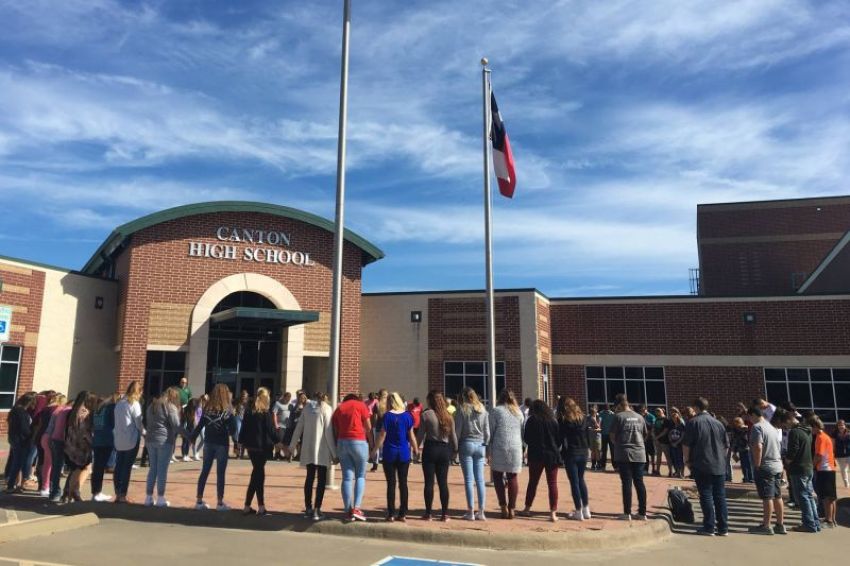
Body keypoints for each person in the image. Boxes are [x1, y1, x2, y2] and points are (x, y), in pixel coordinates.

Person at [682, 398, 729, 536]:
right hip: (719, 464)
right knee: (720, 496)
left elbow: (686, 445)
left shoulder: (693, 422)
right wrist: (722, 458)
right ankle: (723, 527)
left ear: (696, 407)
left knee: (706, 495)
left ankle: (709, 526)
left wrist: (687, 461)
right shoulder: (718, 423)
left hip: (702, 463)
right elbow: (726, 446)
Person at [288, 392, 336, 521]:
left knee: (309, 478)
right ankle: (317, 509)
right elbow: (328, 432)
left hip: (308, 449)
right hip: (322, 450)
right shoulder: (327, 409)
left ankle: (308, 508)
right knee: (321, 481)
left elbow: (299, 428)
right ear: (325, 398)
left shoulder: (307, 408)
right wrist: (334, 453)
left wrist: (292, 447)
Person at [191, 383, 237, 511]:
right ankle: (220, 502)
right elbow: (233, 430)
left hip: (208, 443)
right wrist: (236, 441)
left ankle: (199, 501)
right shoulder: (227, 411)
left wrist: (192, 437)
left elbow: (199, 426)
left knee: (205, 471)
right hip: (222, 443)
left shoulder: (207, 409)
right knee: (220, 474)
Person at [376, 392, 418, 522]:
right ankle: (403, 512)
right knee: (403, 483)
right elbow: (411, 435)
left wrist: (374, 449)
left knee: (391, 484)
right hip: (404, 453)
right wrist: (416, 448)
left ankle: (391, 513)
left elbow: (382, 435)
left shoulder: (387, 416)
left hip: (389, 453)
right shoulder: (407, 416)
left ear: (390, 402)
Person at [145, 387, 188, 507]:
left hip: (150, 440)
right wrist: (190, 436)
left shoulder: (151, 406)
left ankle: (148, 497)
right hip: (164, 441)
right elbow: (177, 426)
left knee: (153, 468)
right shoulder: (170, 406)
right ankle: (160, 497)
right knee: (162, 469)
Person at [333, 392, 373, 522]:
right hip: (359, 441)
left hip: (342, 442)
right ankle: (356, 507)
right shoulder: (361, 405)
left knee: (347, 477)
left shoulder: (340, 407)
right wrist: (371, 443)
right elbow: (368, 426)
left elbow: (335, 428)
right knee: (360, 475)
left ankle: (347, 509)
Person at [417, 391, 457, 521]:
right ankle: (445, 513)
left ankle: (428, 513)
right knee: (443, 483)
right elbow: (454, 437)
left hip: (430, 448)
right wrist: (455, 451)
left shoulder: (426, 415)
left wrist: (415, 448)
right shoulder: (449, 417)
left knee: (429, 482)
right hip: (444, 450)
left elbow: (420, 435)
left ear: (430, 401)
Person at [519, 400, 561, 522]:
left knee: (533, 482)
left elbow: (526, 438)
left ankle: (527, 508)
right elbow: (559, 439)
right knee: (552, 483)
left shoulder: (532, 420)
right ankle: (553, 513)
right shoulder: (553, 420)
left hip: (536, 454)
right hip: (552, 454)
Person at [238, 387, 278, 516]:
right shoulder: (265, 413)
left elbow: (243, 429)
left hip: (251, 448)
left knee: (257, 475)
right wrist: (281, 443)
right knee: (258, 476)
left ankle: (251, 506)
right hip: (262, 449)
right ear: (265, 398)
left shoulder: (250, 412)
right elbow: (271, 431)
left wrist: (239, 442)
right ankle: (256, 506)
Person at [747, 405, 786, 535]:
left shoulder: (757, 428)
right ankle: (780, 524)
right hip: (777, 465)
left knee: (767, 497)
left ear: (753, 415)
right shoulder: (772, 427)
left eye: (749, 417)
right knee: (777, 495)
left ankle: (766, 525)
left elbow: (758, 446)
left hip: (765, 466)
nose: (749, 420)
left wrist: (757, 465)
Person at [609, 394, 648, 521]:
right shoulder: (640, 417)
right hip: (639, 453)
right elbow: (645, 434)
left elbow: (612, 436)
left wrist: (619, 444)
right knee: (639, 482)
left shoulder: (618, 417)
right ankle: (642, 513)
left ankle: (627, 513)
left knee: (626, 483)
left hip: (624, 453)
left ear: (620, 404)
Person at [455, 387, 490, 521]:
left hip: (466, 443)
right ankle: (481, 511)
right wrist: (485, 445)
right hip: (480, 444)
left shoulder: (462, 409)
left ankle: (470, 511)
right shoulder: (483, 409)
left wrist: (455, 447)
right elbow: (487, 432)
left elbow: (458, 430)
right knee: (480, 479)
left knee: (469, 480)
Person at [487, 389, 523, 519]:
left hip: (499, 446)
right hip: (515, 447)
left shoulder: (496, 411)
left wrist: (488, 450)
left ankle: (503, 506)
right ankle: (512, 508)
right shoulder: (519, 412)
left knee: (497, 476)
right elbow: (522, 431)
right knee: (513, 477)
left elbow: (490, 431)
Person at [781, 410, 818, 533]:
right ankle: (814, 522)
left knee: (802, 497)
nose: (785, 427)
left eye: (785, 424)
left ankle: (809, 524)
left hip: (799, 468)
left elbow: (793, 451)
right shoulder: (807, 430)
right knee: (809, 496)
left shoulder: (795, 432)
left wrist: (787, 460)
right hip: (808, 467)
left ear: (788, 420)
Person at [558, 397, 591, 520]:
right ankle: (586, 509)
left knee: (574, 482)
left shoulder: (564, 420)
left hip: (571, 452)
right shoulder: (583, 418)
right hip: (583, 451)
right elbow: (587, 435)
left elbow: (560, 437)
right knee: (581, 479)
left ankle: (578, 511)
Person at [113, 381, 145, 504]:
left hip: (119, 438)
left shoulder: (119, 403)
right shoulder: (134, 404)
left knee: (119, 466)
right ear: (139, 391)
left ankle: (117, 492)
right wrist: (144, 433)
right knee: (126, 467)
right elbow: (138, 423)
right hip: (131, 438)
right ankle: (122, 494)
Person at [63, 392, 98, 503]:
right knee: (82, 468)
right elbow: (84, 430)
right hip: (81, 444)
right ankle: (74, 491)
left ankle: (69, 493)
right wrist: (90, 440)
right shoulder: (84, 411)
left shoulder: (73, 410)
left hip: (71, 442)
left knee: (76, 469)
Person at [5, 392, 36, 493]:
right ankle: (11, 485)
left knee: (15, 462)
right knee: (17, 463)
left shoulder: (15, 409)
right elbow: (24, 429)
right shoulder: (21, 412)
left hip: (14, 439)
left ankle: (11, 484)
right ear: (30, 402)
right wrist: (32, 434)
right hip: (20, 440)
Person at [810, 416, 836, 528]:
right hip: (830, 468)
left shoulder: (820, 437)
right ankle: (832, 520)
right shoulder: (826, 436)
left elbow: (818, 455)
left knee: (826, 497)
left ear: (815, 426)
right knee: (831, 497)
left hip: (824, 469)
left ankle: (828, 520)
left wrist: (811, 466)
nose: (811, 430)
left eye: (811, 427)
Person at [91, 394, 117, 502]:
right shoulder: (111, 408)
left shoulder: (97, 410)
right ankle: (117, 493)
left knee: (97, 467)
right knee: (111, 467)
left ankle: (96, 492)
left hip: (97, 440)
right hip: (108, 440)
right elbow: (114, 424)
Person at [38, 394, 65, 497]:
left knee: (47, 464)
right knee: (52, 465)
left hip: (44, 436)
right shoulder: (60, 410)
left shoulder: (49, 409)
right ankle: (46, 487)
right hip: (51, 438)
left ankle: (44, 486)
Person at [282, 391, 307, 462]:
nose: (302, 399)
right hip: (293, 426)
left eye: (303, 398)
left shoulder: (307, 406)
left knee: (301, 442)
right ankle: (290, 455)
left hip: (303, 426)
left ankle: (299, 455)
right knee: (292, 441)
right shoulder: (293, 404)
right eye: (301, 397)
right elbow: (292, 415)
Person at [370, 389, 388, 472]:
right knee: (386, 445)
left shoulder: (377, 404)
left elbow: (375, 417)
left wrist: (373, 426)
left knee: (377, 445)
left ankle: (375, 464)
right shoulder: (389, 405)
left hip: (378, 427)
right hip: (387, 427)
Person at [731, 416, 753, 483]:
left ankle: (751, 478)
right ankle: (745, 477)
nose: (735, 425)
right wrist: (734, 451)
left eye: (736, 423)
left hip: (747, 449)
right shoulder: (735, 430)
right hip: (740, 449)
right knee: (743, 465)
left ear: (740, 422)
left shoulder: (746, 429)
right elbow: (735, 441)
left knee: (748, 464)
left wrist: (742, 428)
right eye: (734, 424)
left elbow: (747, 438)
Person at [272, 392, 292, 460]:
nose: (288, 400)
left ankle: (279, 454)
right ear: (284, 397)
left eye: (289, 398)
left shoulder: (290, 405)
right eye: (287, 398)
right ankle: (279, 454)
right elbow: (274, 414)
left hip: (287, 426)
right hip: (280, 425)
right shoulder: (278, 403)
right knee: (280, 440)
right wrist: (276, 424)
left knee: (285, 441)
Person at [653, 408, 672, 476]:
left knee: (667, 457)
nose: (657, 412)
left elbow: (665, 430)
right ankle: (657, 471)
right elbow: (654, 429)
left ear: (663, 411)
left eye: (659, 411)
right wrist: (655, 438)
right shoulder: (657, 419)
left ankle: (670, 472)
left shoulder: (666, 420)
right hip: (658, 442)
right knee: (658, 456)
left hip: (665, 441)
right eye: (656, 411)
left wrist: (657, 437)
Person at [178, 377, 193, 461]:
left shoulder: (188, 390)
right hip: (180, 412)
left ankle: (186, 454)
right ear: (180, 382)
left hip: (187, 412)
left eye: (185, 382)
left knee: (188, 434)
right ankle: (184, 454)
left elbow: (190, 399)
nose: (183, 384)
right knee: (184, 435)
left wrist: (187, 406)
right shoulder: (178, 390)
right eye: (182, 382)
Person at [639, 405, 657, 475]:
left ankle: (654, 469)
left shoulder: (651, 417)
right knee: (645, 454)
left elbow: (652, 427)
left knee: (652, 454)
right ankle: (645, 469)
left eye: (643, 410)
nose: (642, 412)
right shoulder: (640, 417)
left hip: (650, 438)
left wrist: (644, 419)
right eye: (641, 410)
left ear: (646, 409)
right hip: (643, 438)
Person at [668, 409, 686, 478]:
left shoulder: (681, 425)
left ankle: (682, 473)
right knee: (674, 459)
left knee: (680, 459)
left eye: (675, 417)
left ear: (677, 417)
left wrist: (677, 442)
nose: (674, 418)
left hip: (679, 444)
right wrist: (671, 442)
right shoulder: (671, 425)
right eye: (672, 417)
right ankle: (678, 472)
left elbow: (683, 435)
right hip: (672, 444)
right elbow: (669, 434)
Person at [233, 390, 250, 459]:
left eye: (245, 395)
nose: (244, 396)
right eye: (243, 395)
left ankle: (242, 454)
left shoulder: (248, 403)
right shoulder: (237, 401)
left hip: (245, 419)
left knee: (244, 436)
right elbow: (233, 409)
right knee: (237, 436)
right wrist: (234, 414)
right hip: (238, 418)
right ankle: (238, 454)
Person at [598, 404, 615, 471]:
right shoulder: (613, 414)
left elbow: (599, 423)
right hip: (611, 434)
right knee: (612, 451)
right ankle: (615, 465)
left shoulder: (601, 414)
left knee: (604, 450)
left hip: (603, 434)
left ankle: (603, 465)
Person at [832, 419, 849, 488]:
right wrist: (833, 453)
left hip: (849, 454)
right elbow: (833, 444)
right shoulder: (834, 433)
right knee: (843, 469)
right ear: (837, 426)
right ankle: (846, 483)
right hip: (840, 455)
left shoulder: (849, 432)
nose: (841, 426)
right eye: (839, 425)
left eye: (842, 425)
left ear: (845, 425)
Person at [586, 405, 601, 471]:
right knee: (592, 451)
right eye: (592, 409)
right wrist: (591, 429)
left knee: (598, 450)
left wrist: (594, 421)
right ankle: (593, 464)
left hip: (598, 436)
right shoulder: (588, 417)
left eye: (594, 409)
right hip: (591, 436)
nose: (592, 410)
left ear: (596, 410)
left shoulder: (599, 417)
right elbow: (587, 427)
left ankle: (598, 464)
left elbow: (599, 427)